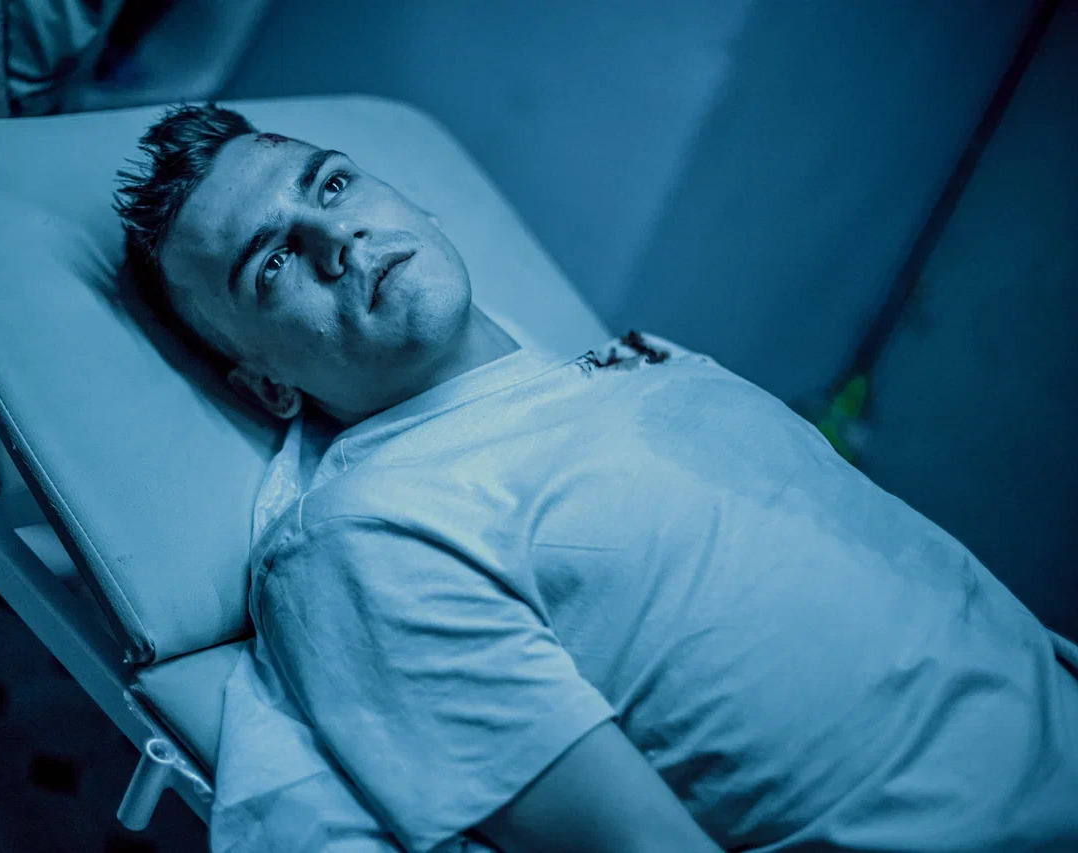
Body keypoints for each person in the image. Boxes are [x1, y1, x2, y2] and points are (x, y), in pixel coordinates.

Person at [114, 104, 1078, 852]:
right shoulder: (368, 536)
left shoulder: (639, 365)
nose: (338, 239)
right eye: (273, 262)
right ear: (267, 385)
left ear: (411, 204)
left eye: (331, 185)